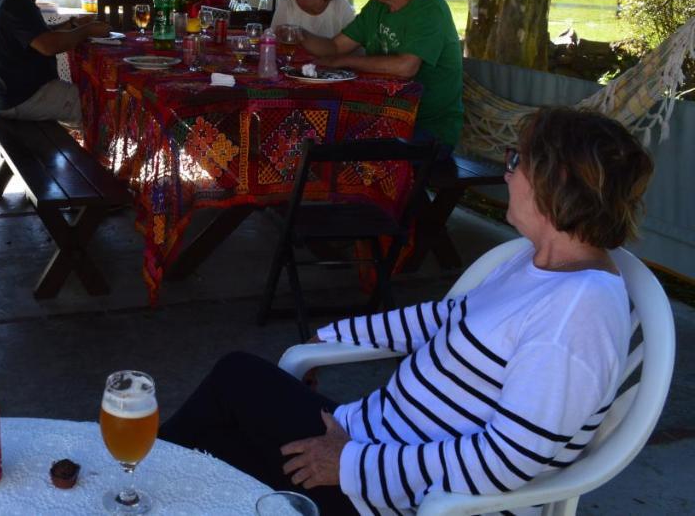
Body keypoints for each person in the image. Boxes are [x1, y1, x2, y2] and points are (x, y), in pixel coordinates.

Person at [160, 107, 650, 515]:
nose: (508, 171)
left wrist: (351, 464)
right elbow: (444, 318)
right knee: (233, 386)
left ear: (556, 182)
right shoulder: (539, 260)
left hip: (409, 499)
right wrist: (332, 337)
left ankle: (130, 488)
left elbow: (506, 460)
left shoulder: (577, 315)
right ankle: (134, 486)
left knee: (209, 447)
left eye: (518, 160)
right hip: (366, 443)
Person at [299, 0, 463, 149]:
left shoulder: (430, 8)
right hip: (379, 115)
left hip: (427, 130)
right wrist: (299, 34)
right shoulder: (377, 6)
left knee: (332, 149)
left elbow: (406, 67)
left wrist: (343, 61)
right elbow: (335, 47)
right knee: (309, 137)